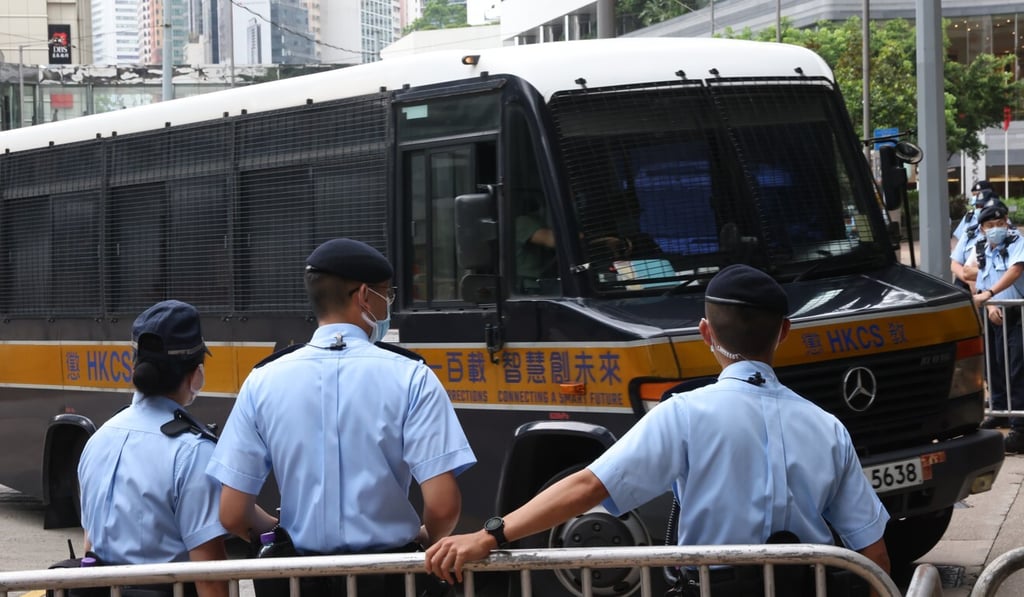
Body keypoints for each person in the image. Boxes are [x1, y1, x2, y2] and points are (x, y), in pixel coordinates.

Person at [425, 264, 891, 596]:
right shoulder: (828, 427)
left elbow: (588, 487)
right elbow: (873, 554)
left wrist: (489, 535)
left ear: (706, 333)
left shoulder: (685, 413)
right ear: (785, 331)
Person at [207, 238, 477, 595]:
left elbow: (232, 513)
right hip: (391, 580)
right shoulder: (412, 376)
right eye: (387, 295)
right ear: (365, 297)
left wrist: (281, 531)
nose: (388, 304)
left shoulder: (263, 380)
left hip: (299, 580)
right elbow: (443, 505)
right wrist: (427, 538)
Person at [77, 300, 227, 597]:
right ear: (195, 373)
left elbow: (89, 546)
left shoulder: (99, 438)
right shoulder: (192, 452)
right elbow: (210, 579)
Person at [970, 202, 1024, 450]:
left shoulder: (1016, 242)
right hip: (996, 313)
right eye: (991, 226)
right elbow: (982, 283)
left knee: (1017, 369)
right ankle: (1001, 411)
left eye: (1000, 224)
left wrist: (990, 293)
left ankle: (1020, 427)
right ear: (982, 229)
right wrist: (990, 304)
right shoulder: (981, 248)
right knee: (997, 366)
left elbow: (1015, 271)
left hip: (1018, 313)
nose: (996, 229)